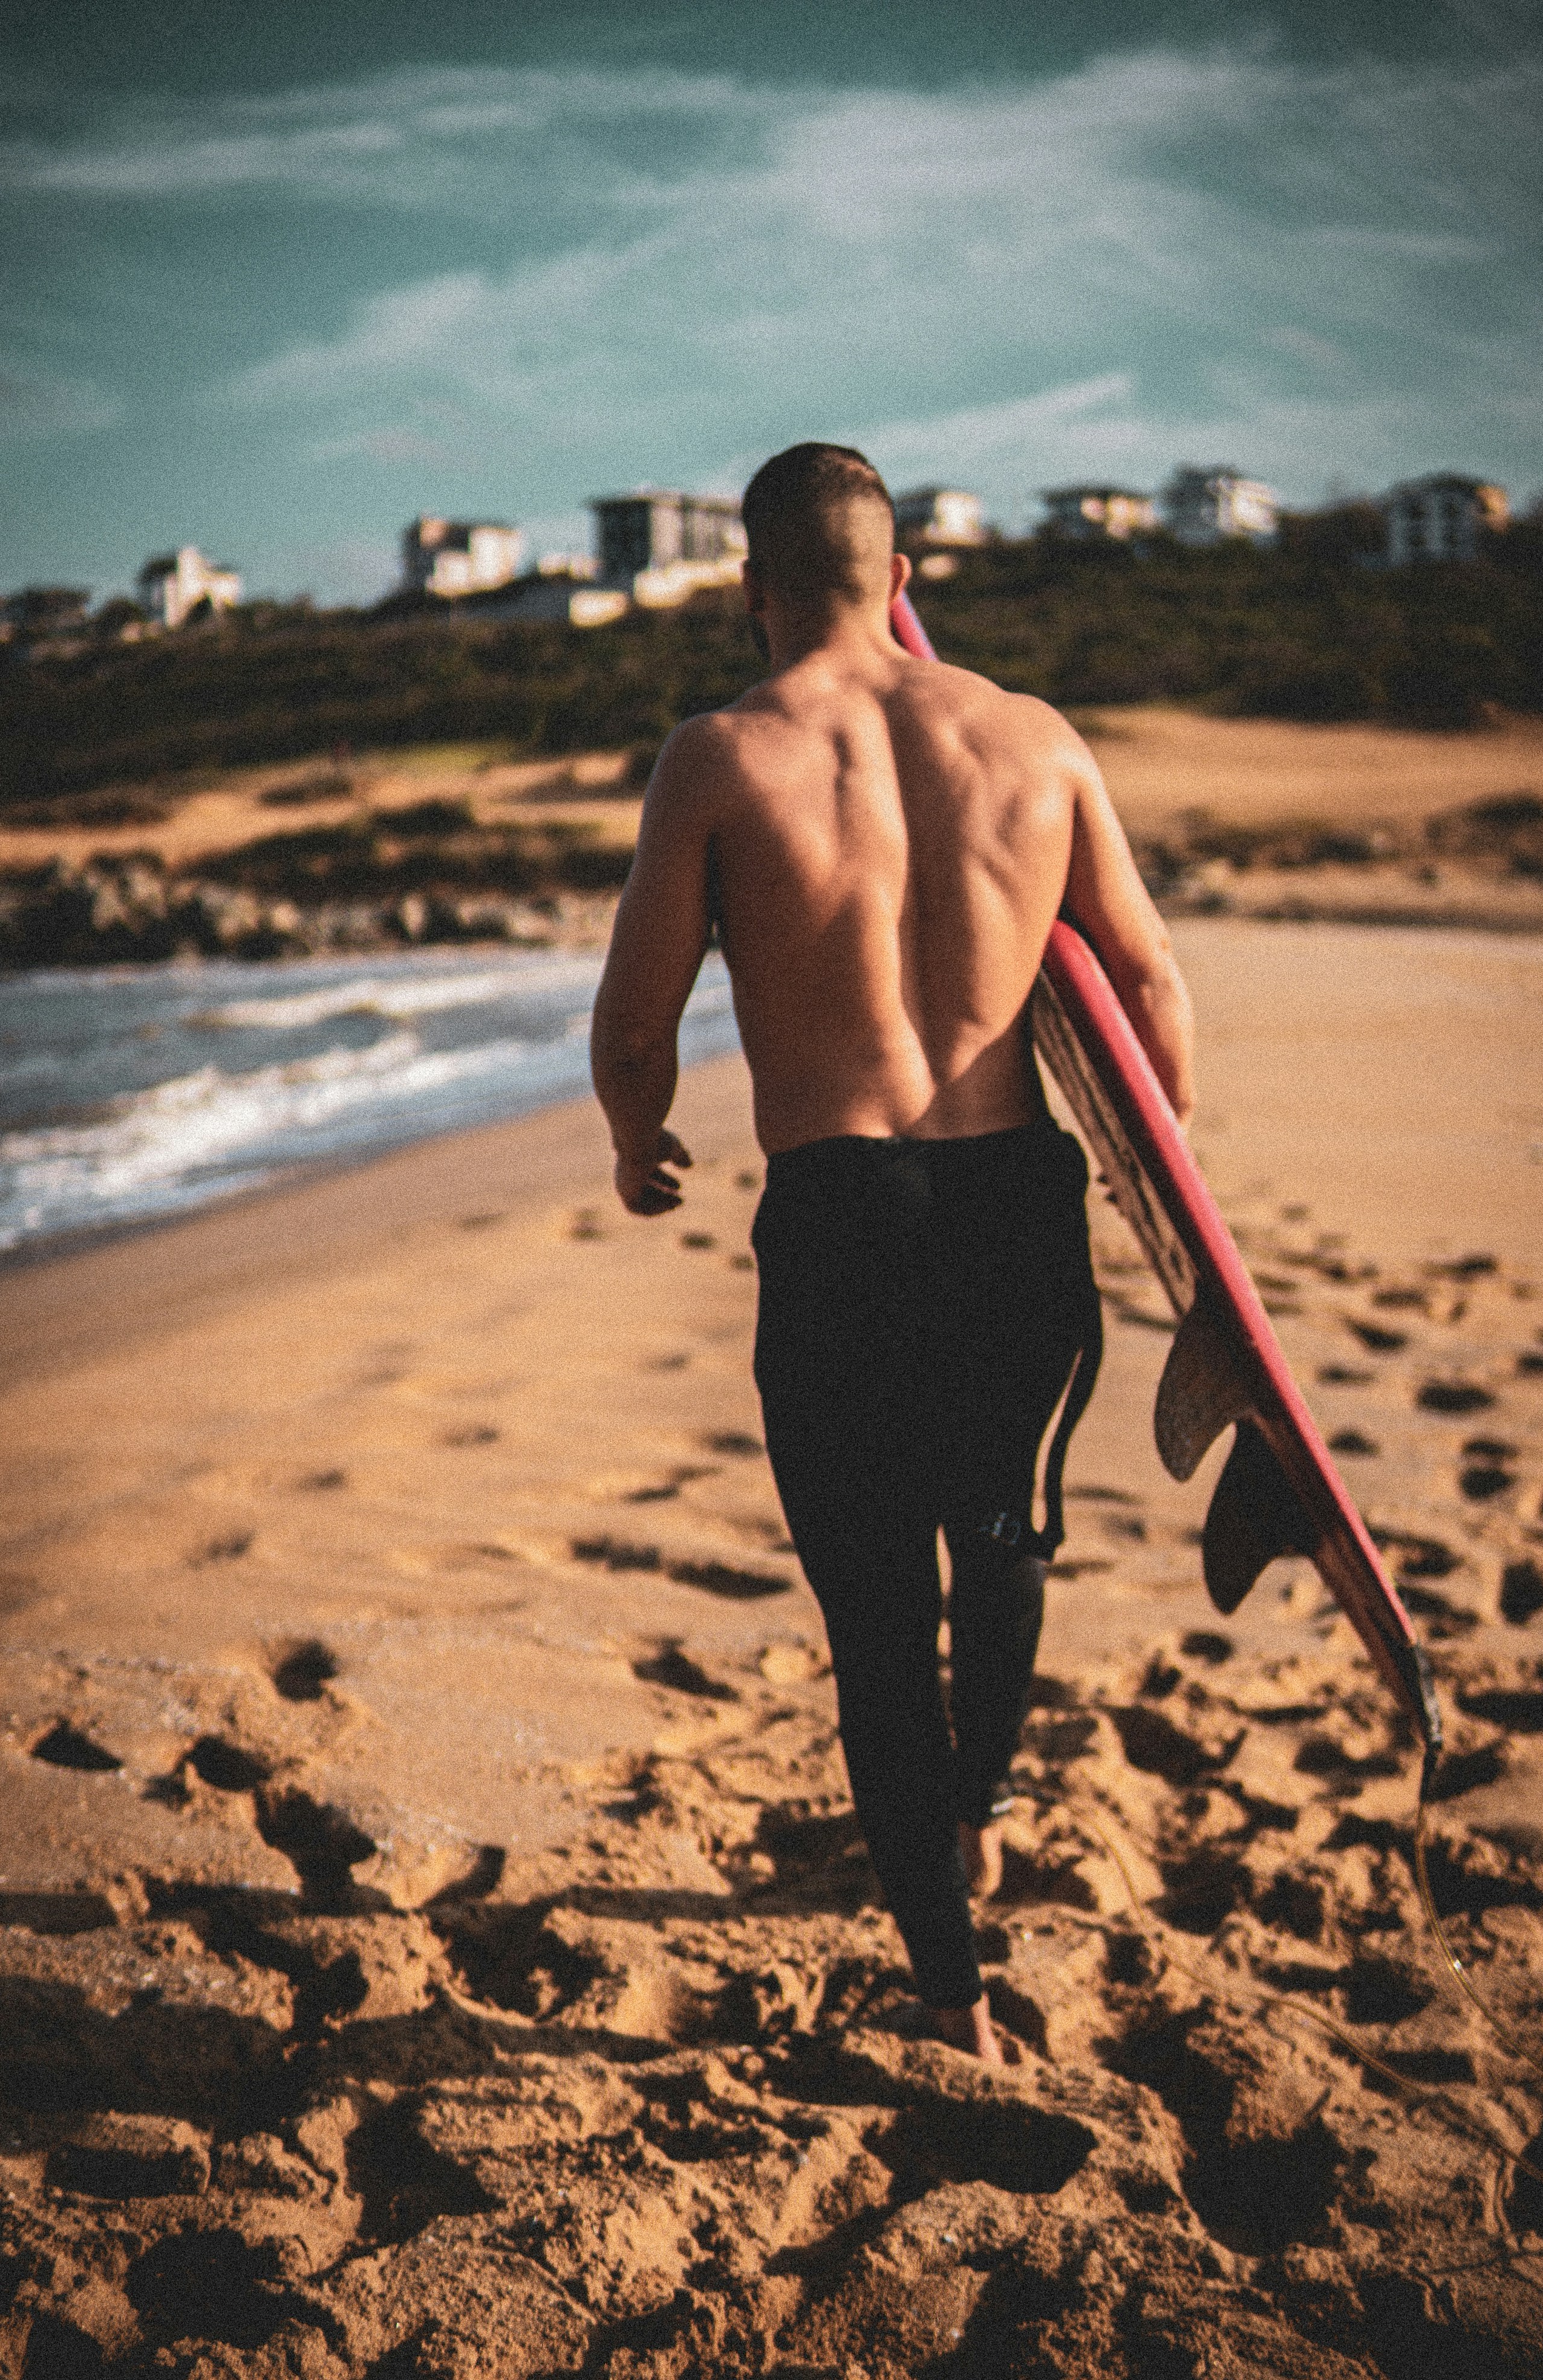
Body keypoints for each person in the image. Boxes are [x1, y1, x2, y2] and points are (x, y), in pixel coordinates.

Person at [591, 443, 1194, 2063]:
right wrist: (1170, 1196)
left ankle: (949, 1984)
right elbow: (1146, 984)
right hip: (1018, 1207)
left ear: (752, 588)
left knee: (875, 1617)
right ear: (904, 577)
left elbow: (637, 1019)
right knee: (1002, 1540)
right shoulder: (1036, 738)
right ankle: (984, 1803)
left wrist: (633, 1136)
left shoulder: (717, 758)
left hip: (847, 1216)